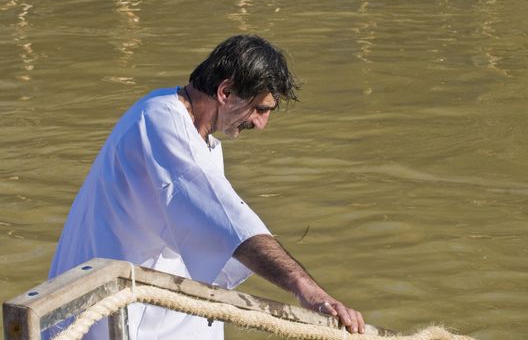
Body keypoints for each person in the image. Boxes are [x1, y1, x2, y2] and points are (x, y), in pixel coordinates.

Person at [48, 34, 365, 339]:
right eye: (260, 109)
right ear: (225, 92)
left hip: (157, 307)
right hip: (114, 316)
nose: (260, 123)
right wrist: (305, 288)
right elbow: (231, 223)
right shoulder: (161, 123)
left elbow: (216, 228)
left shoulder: (202, 140)